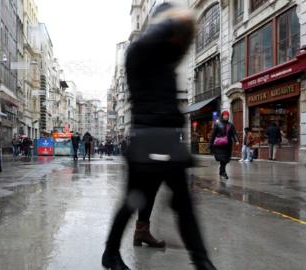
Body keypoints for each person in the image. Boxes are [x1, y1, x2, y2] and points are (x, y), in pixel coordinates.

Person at [102, 4, 217, 270]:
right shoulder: (139, 50)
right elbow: (162, 37)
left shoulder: (166, 58)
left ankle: (201, 261)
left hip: (167, 139)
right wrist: (178, 20)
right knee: (133, 201)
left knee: (184, 205)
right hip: (145, 139)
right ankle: (110, 254)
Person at [209, 111, 239, 179]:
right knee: (223, 159)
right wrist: (210, 144)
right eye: (225, 115)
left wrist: (236, 140)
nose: (226, 116)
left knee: (226, 159)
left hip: (228, 145)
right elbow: (213, 135)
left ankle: (221, 170)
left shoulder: (230, 125)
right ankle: (223, 172)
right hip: (220, 145)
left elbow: (234, 133)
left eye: (227, 115)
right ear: (222, 116)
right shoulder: (217, 124)